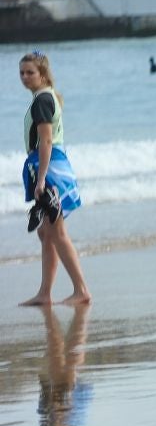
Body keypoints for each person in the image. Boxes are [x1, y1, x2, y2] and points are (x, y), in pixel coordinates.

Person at [18, 52, 91, 306]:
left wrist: (41, 181)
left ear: (42, 74)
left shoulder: (42, 100)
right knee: (46, 233)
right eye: (22, 73)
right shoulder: (46, 97)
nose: (25, 77)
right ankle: (45, 293)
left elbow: (46, 141)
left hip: (50, 171)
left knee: (57, 233)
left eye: (30, 72)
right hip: (54, 167)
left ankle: (81, 290)